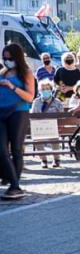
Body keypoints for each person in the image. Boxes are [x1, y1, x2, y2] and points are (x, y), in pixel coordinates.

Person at [0, 43, 36, 199]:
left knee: (16, 148)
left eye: (10, 58)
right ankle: (11, 178)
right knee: (2, 149)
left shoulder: (26, 73)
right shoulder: (2, 72)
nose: (7, 61)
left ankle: (15, 185)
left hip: (18, 112)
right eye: (4, 58)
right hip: (1, 112)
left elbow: (30, 97)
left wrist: (12, 87)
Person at [31, 79, 64, 168]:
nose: (45, 91)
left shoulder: (57, 102)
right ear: (40, 91)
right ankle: (43, 160)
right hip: (40, 128)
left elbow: (63, 117)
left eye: (47, 88)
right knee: (36, 139)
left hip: (54, 128)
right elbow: (33, 115)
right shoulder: (36, 102)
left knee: (55, 137)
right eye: (43, 89)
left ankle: (56, 160)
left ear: (51, 90)